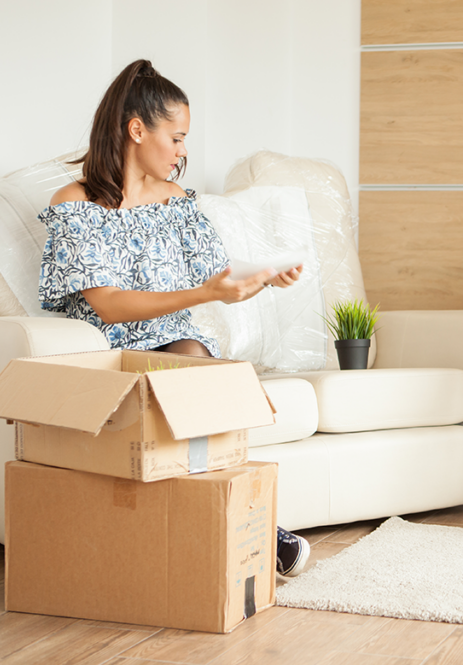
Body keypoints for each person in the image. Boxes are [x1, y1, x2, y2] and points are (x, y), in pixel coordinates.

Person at [37, 58, 310, 576]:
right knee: (190, 373)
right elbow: (109, 304)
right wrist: (204, 293)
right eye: (177, 137)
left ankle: (250, 530)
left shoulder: (179, 204)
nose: (184, 152)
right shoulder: (76, 204)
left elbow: (217, 279)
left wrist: (262, 278)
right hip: (105, 350)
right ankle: (257, 531)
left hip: (172, 344)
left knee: (196, 366)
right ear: (137, 130)